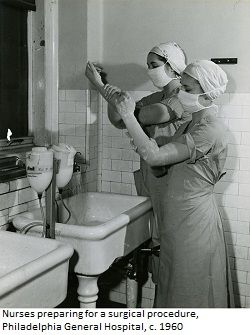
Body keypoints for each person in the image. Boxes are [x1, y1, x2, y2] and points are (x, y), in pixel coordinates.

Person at [101, 60, 234, 308]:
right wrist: (146, 143)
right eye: (181, 86)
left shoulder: (211, 130)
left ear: (207, 92)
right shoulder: (189, 124)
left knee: (192, 293)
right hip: (176, 222)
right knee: (172, 289)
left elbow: (156, 158)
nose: (181, 93)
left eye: (188, 89)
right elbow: (161, 168)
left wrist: (132, 119)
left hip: (194, 225)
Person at [85, 42, 189, 296]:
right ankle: (162, 302)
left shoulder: (182, 98)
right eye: (148, 66)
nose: (150, 71)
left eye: (154, 65)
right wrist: (114, 97)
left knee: (172, 245)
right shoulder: (155, 97)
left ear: (172, 67)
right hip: (152, 179)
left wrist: (102, 87)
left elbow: (142, 116)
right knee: (156, 241)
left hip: (174, 182)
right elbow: (119, 118)